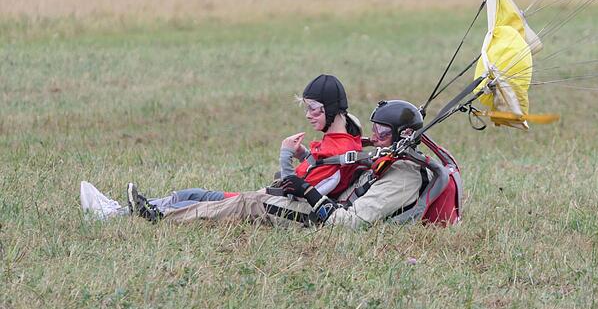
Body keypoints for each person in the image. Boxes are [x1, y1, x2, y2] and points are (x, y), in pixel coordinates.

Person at [134, 100, 429, 229]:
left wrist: (307, 191)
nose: (374, 137)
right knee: (227, 197)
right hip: (323, 205)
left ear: (403, 135)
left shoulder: (403, 177)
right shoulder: (390, 158)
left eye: (382, 132)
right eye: (374, 129)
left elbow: (350, 223)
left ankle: (159, 217)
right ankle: (146, 209)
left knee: (249, 202)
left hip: (320, 219)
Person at [125, 74, 363, 221]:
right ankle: (125, 210)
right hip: (270, 197)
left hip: (277, 205)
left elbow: (297, 192)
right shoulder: (346, 140)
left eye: (314, 108)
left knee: (203, 205)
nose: (308, 115)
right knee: (193, 194)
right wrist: (306, 156)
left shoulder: (338, 150)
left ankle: (151, 215)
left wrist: (286, 155)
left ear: (331, 109)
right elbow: (322, 170)